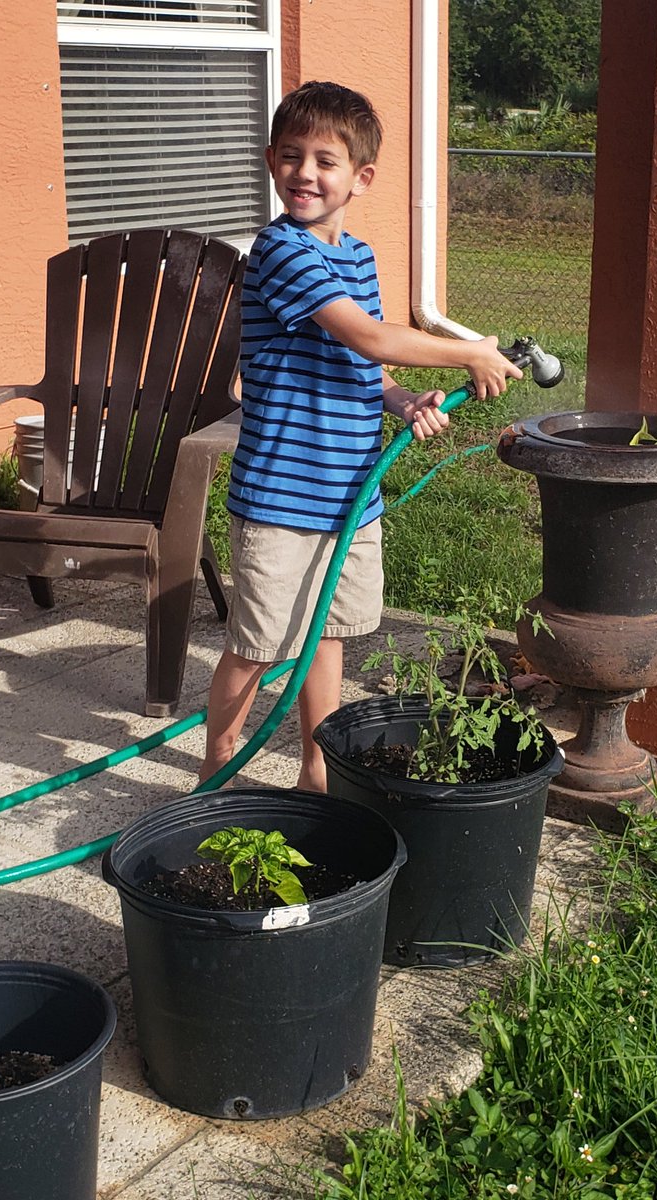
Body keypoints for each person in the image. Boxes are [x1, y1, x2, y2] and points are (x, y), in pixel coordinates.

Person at [199, 79, 522, 791]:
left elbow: (362, 363)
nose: (306, 173)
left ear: (360, 177)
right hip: (283, 495)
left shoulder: (360, 257)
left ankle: (317, 770)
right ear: (270, 161)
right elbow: (370, 337)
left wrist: (404, 401)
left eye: (325, 160)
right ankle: (218, 765)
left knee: (327, 639)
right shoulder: (280, 250)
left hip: (349, 494)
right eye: (291, 156)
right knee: (258, 647)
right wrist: (468, 350)